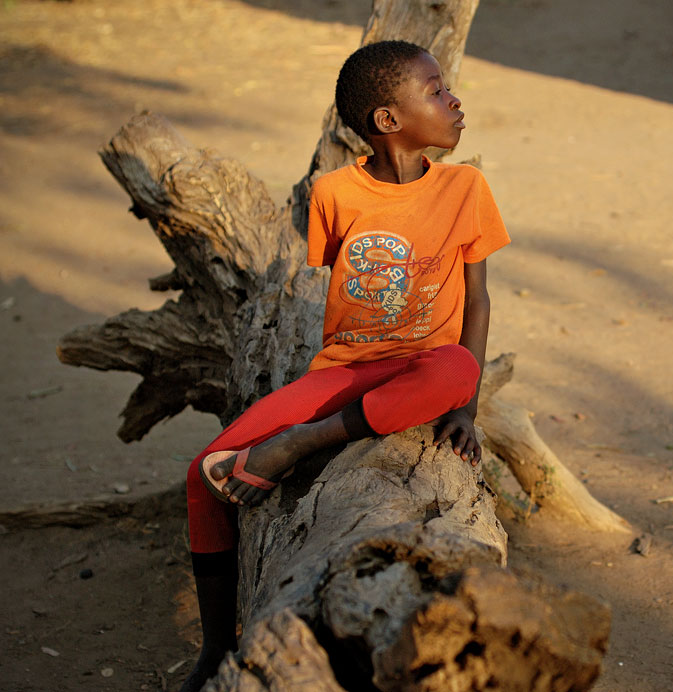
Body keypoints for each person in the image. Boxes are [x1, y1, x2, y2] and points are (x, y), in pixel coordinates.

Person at [178, 40, 510, 692]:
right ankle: (217, 648)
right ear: (388, 121)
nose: (455, 100)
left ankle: (301, 444)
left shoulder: (466, 187)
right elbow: (347, 285)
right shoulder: (332, 193)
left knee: (456, 372)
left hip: (427, 363)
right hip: (344, 370)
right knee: (200, 475)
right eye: (437, 92)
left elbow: (478, 297)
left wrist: (464, 412)